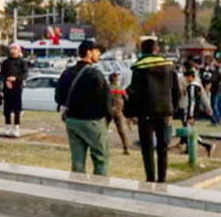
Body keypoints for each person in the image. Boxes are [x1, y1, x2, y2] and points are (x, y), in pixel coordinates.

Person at [124, 39, 180, 183]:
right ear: (157, 49)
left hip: (145, 112)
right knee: (163, 147)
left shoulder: (139, 67)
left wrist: (129, 113)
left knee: (147, 148)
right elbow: (176, 91)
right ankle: (162, 178)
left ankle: (150, 178)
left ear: (143, 50)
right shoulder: (169, 66)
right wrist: (173, 110)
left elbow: (135, 93)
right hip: (165, 111)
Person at [55, 40, 112, 176]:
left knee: (77, 162)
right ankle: (100, 191)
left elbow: (58, 98)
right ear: (88, 52)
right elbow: (106, 101)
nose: (99, 54)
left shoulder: (67, 73)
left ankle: (77, 191)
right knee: (100, 158)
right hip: (93, 121)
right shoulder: (96, 75)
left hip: (72, 121)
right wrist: (107, 120)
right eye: (97, 51)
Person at [181, 68, 215, 157]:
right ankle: (189, 148)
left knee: (189, 130)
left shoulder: (192, 87)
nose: (185, 80)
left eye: (186, 77)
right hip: (193, 111)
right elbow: (203, 97)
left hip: (189, 111)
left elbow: (192, 101)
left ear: (190, 77)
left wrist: (190, 115)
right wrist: (208, 107)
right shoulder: (198, 86)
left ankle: (206, 145)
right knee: (189, 130)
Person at [1, 42, 28, 137]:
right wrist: (6, 80)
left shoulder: (22, 62)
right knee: (7, 109)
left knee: (17, 109)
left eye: (15, 49)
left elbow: (25, 75)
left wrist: (16, 79)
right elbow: (2, 74)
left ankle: (16, 127)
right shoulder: (5, 62)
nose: (13, 50)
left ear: (19, 50)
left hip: (17, 87)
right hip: (7, 88)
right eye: (11, 48)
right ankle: (7, 126)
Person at [108, 72, 131, 155]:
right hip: (118, 111)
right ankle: (126, 148)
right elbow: (126, 98)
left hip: (108, 111)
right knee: (121, 130)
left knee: (103, 130)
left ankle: (104, 147)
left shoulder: (107, 88)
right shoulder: (120, 89)